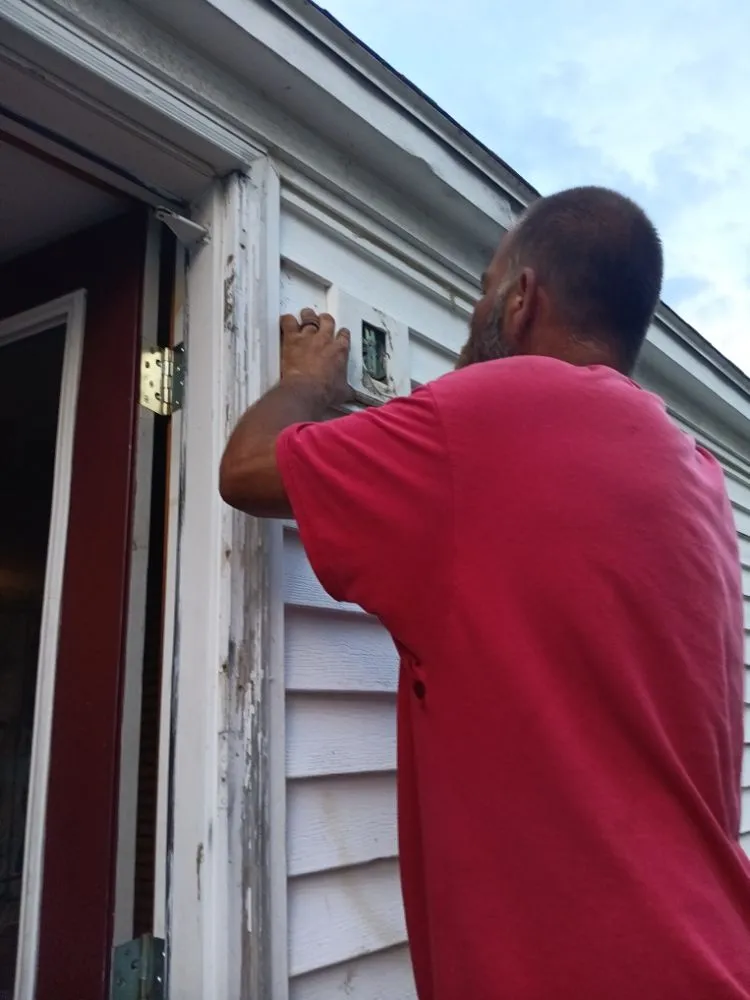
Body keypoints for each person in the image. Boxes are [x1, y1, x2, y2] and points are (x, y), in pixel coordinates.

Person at [220, 186, 750, 999]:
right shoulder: (699, 478)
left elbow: (246, 468)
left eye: (482, 289)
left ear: (522, 297)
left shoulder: (489, 414)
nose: (474, 314)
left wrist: (305, 384)